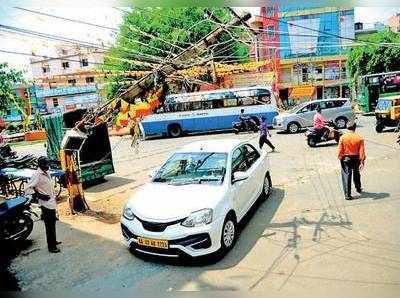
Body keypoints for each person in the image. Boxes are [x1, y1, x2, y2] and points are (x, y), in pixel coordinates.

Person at [25, 156, 61, 253]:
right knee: (49, 225)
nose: (47, 166)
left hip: (51, 202)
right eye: (44, 164)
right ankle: (52, 247)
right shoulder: (37, 175)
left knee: (52, 223)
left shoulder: (46, 171)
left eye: (47, 164)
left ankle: (53, 241)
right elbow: (27, 188)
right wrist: (39, 195)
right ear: (39, 165)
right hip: (45, 204)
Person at [337, 122, 366, 200]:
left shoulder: (343, 137)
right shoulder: (359, 138)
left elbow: (340, 149)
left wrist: (340, 157)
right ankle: (358, 188)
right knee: (356, 173)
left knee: (347, 175)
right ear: (355, 127)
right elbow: (362, 151)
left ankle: (347, 195)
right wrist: (362, 161)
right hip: (356, 158)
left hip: (346, 159)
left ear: (347, 127)